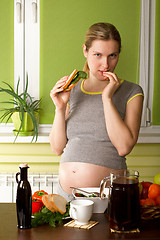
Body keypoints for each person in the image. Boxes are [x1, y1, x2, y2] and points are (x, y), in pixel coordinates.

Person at [49, 22, 144, 201]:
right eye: (98, 55)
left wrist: (107, 98)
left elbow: (124, 147)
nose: (105, 64)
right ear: (85, 51)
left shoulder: (132, 92)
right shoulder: (72, 89)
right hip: (66, 196)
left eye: (112, 56)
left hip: (107, 198)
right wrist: (60, 108)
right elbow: (57, 148)